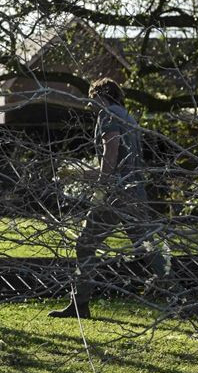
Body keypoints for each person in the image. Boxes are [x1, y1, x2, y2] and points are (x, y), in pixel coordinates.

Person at [50, 77, 166, 319]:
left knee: (85, 243)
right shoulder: (127, 115)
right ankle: (180, 294)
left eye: (92, 100)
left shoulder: (109, 115)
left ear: (100, 96)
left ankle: (79, 304)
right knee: (147, 245)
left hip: (116, 194)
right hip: (136, 192)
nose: (91, 107)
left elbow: (109, 158)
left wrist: (83, 177)